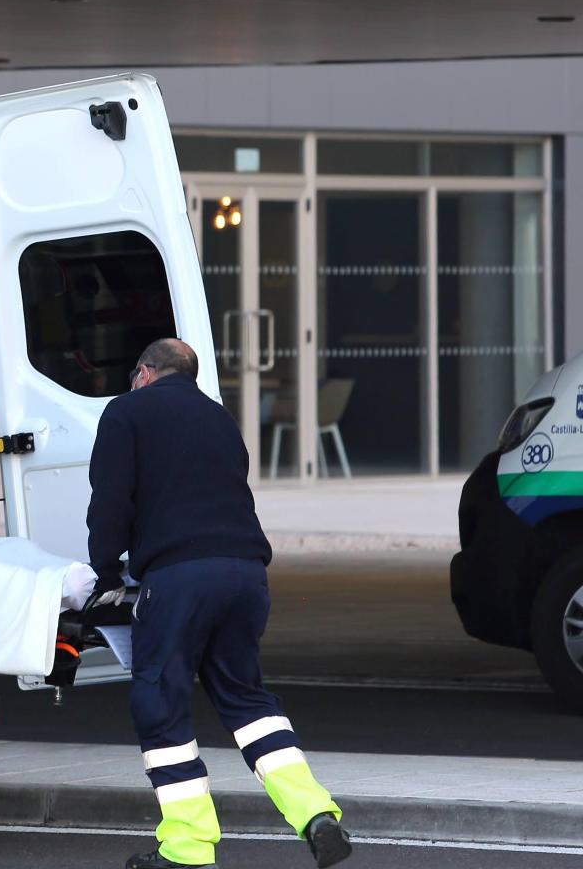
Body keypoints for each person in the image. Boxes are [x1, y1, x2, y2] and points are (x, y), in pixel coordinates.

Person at [86, 338, 350, 869]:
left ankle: (187, 847)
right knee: (247, 701)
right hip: (246, 576)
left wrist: (106, 572)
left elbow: (110, 498)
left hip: (181, 576)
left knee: (160, 703)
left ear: (143, 371)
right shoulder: (219, 418)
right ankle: (315, 813)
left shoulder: (126, 412)